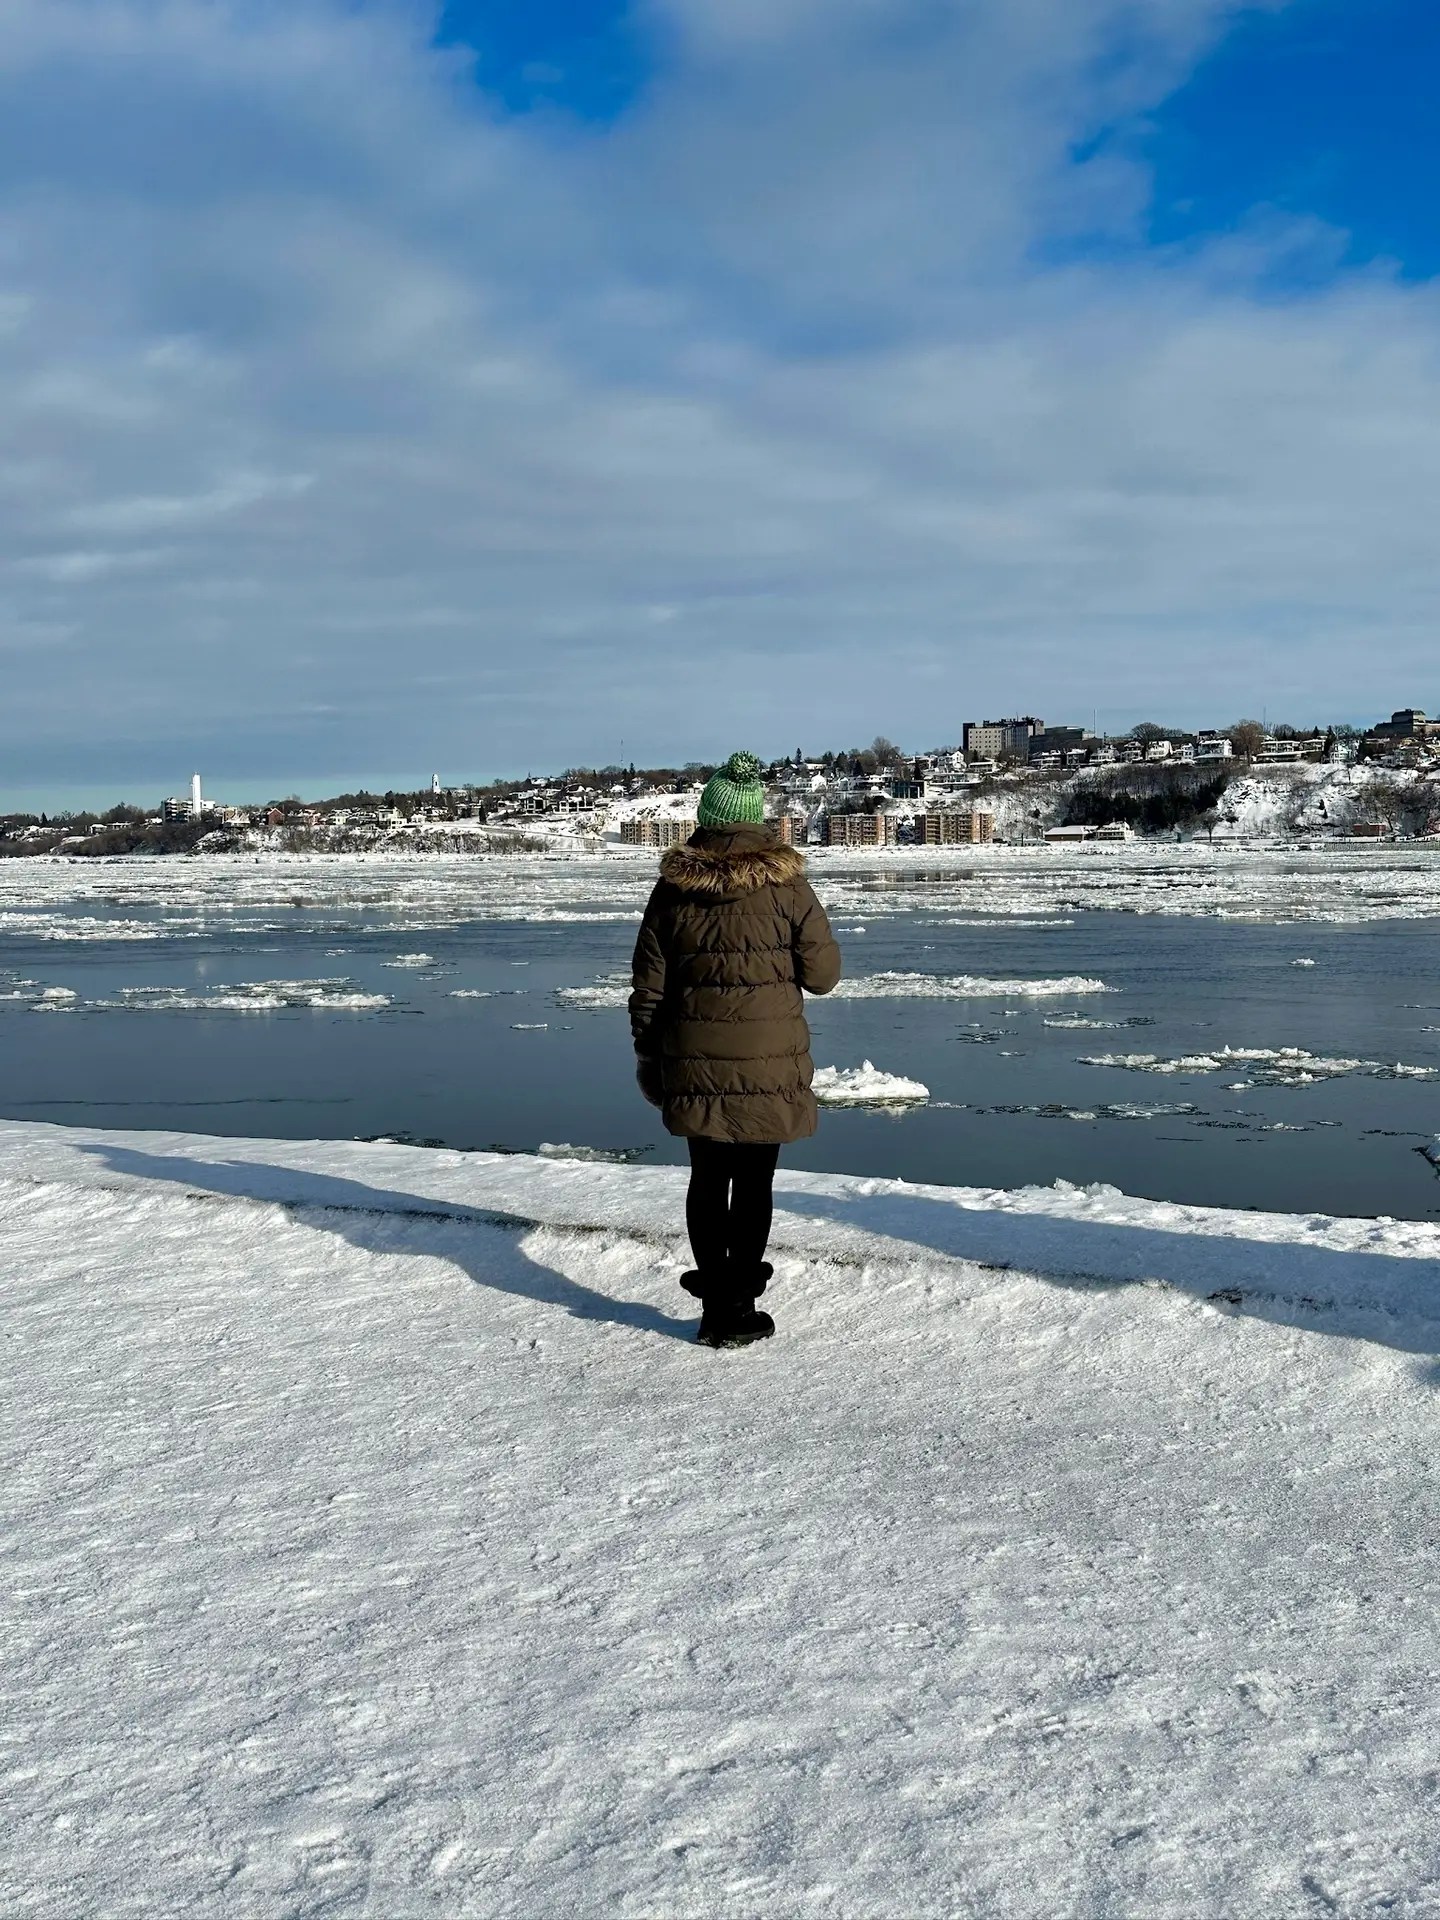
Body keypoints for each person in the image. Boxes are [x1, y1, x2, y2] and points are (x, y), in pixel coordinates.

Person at [629, 751, 842, 1348]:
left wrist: (649, 1058)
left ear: (705, 818)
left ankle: (714, 1311)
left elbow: (648, 985)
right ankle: (739, 1306)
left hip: (692, 1058)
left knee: (707, 1177)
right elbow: (823, 975)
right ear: (758, 819)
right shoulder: (788, 885)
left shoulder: (673, 889)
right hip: (768, 1060)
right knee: (754, 1182)